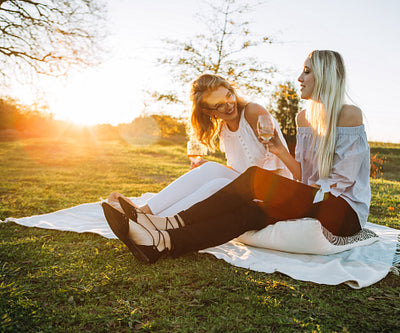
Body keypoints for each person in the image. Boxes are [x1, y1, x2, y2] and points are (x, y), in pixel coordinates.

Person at [102, 50, 371, 264]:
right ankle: (162, 243)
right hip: (313, 198)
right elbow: (303, 175)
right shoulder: (303, 118)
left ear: (325, 75)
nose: (299, 78)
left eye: (307, 71)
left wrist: (289, 192)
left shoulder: (349, 115)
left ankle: (163, 222)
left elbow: (340, 185)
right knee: (250, 212)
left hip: (344, 212)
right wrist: (278, 149)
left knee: (254, 178)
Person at [107, 73, 292, 225]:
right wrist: (207, 166)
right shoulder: (224, 129)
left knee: (216, 186)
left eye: (228, 95)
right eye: (218, 104)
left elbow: (274, 166)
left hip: (274, 189)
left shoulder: (253, 112)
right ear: (208, 111)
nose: (228, 105)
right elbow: (240, 171)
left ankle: (157, 222)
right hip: (249, 185)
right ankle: (143, 213)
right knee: (210, 169)